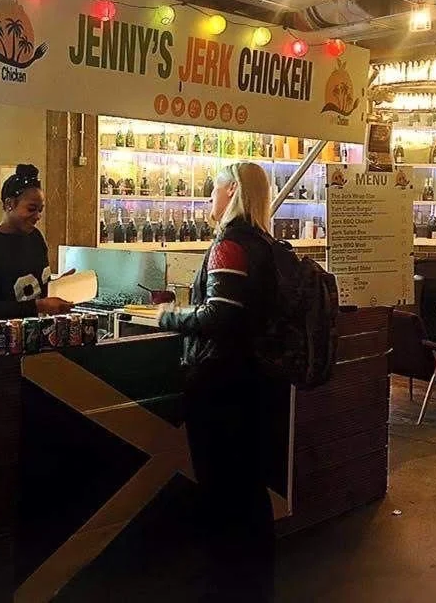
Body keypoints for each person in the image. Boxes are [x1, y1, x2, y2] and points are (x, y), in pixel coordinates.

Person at [156, 162, 276, 602]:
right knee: (249, 484)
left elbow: (219, 316)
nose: (210, 198)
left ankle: (225, 581)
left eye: (214, 190)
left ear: (231, 193)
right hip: (258, 381)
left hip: (222, 383)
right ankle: (255, 580)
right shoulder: (267, 243)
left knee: (221, 484)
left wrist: (170, 318)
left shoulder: (229, 245)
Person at [0, 164, 73, 320]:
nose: (37, 216)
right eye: (31, 209)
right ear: (9, 204)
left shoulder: (36, 237)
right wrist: (40, 306)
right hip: (5, 340)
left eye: (40, 210)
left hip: (41, 336)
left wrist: (58, 286)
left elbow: (37, 287)